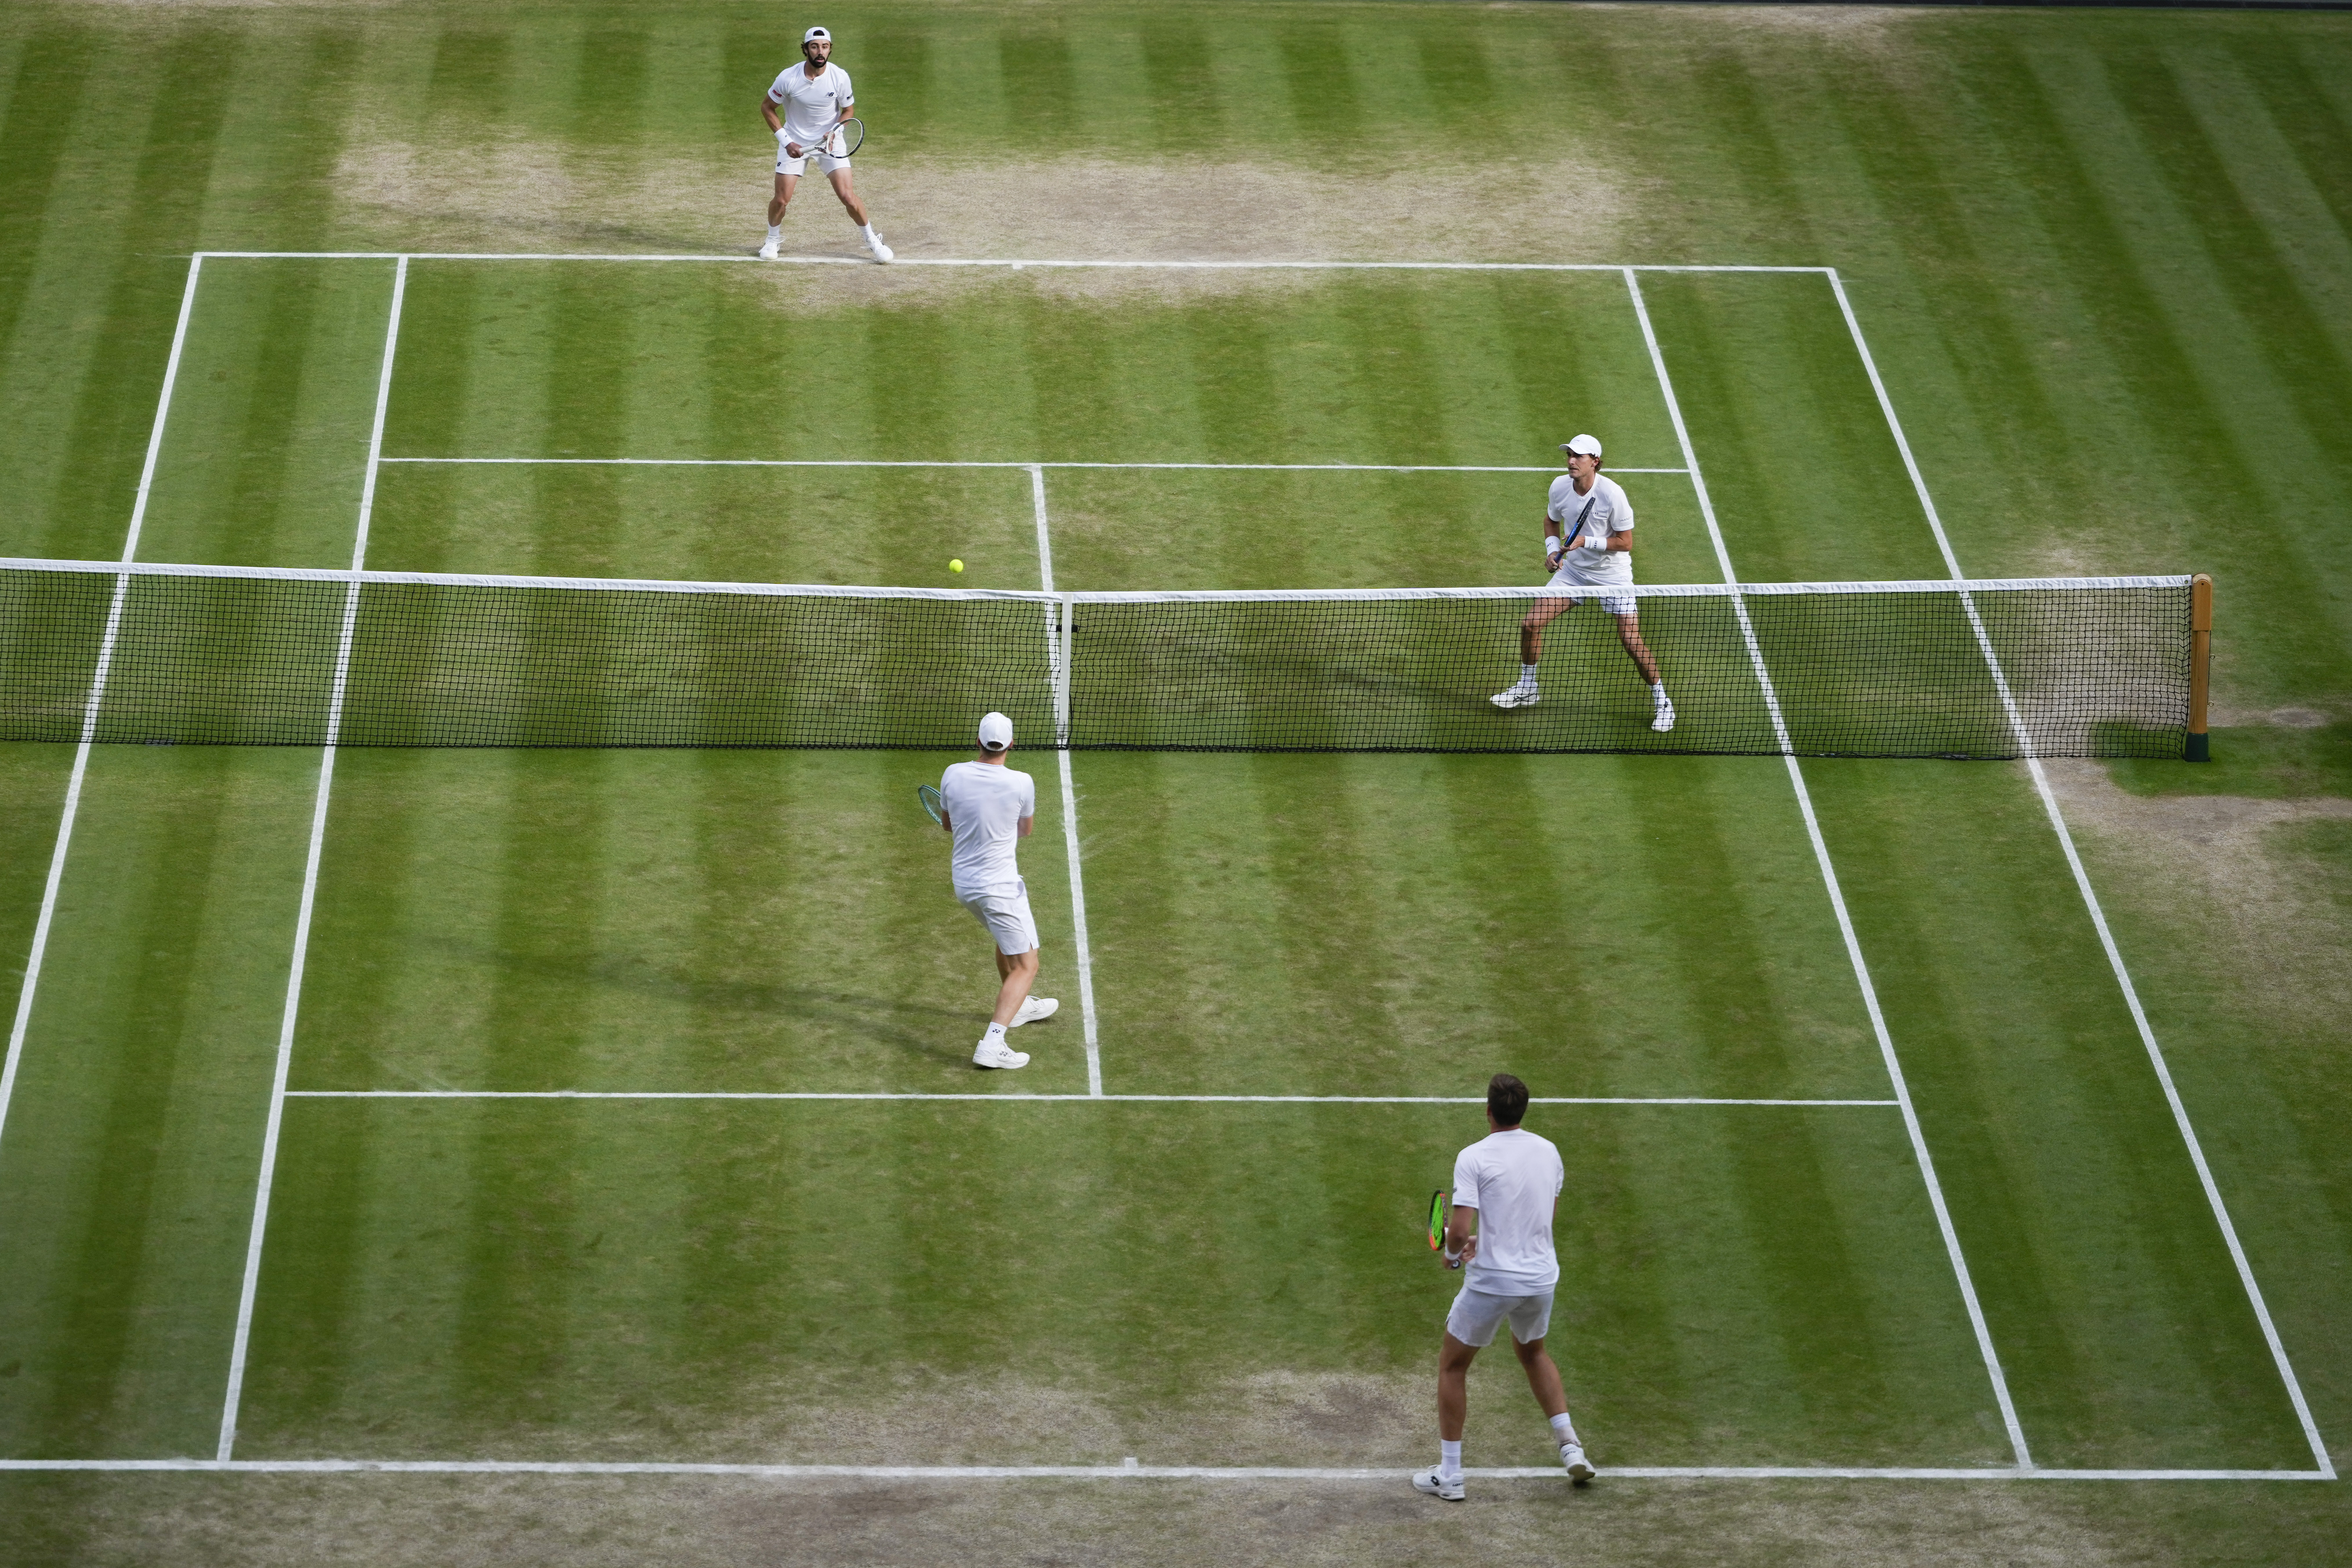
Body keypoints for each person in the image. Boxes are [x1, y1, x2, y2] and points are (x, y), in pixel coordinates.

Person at [1413, 1073, 1595, 1502]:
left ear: (1488, 1111)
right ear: (1522, 1110)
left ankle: (1451, 1475)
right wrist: (1486, 1242)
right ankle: (1571, 1447)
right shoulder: (1549, 1151)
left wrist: (1456, 1254)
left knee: (1453, 1366)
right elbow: (1539, 1220)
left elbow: (1457, 1230)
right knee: (1533, 1352)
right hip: (1540, 1278)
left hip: (1494, 1282)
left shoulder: (1473, 1156)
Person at [1491, 434, 1673, 733]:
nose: (1572, 461)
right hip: (1574, 573)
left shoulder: (1613, 495)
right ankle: (1527, 688)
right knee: (1530, 625)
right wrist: (1552, 550)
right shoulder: (1560, 486)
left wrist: (1587, 541)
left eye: (1579, 456)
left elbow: (1626, 543)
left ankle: (1663, 703)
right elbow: (1551, 521)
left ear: (1596, 462)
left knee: (1631, 641)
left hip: (1613, 577)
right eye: (1570, 455)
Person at [937, 712, 1058, 1069]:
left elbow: (948, 825)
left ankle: (1019, 1007)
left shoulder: (952, 774)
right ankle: (993, 1044)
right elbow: (1026, 830)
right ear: (1010, 745)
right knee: (1027, 965)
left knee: (1008, 944)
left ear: (978, 742)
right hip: (1000, 888)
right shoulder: (1022, 783)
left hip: (966, 886)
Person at [759, 26, 892, 263]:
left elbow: (848, 110)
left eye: (825, 47)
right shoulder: (788, 78)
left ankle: (872, 241)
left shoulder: (839, 77)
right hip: (794, 141)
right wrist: (786, 141)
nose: (820, 52)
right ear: (806, 49)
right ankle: (772, 239)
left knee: (848, 196)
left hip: (831, 141)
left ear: (830, 49)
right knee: (781, 200)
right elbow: (767, 107)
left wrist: (835, 131)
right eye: (815, 46)